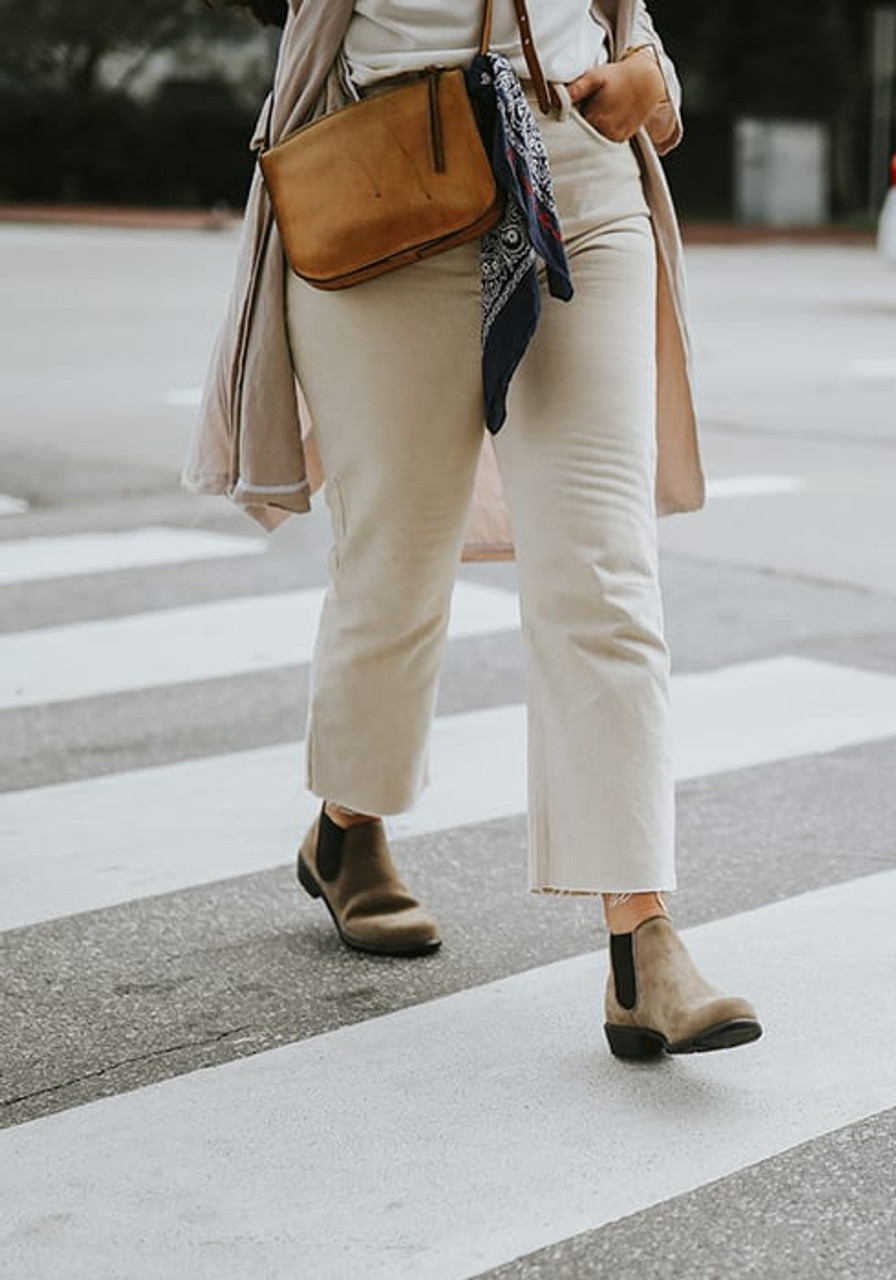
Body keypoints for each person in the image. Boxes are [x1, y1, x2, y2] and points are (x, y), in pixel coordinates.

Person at [187, 0, 760, 1059]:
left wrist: (649, 69)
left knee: (604, 564)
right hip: (388, 164)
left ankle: (642, 938)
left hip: (577, 165)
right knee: (396, 560)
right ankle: (346, 828)